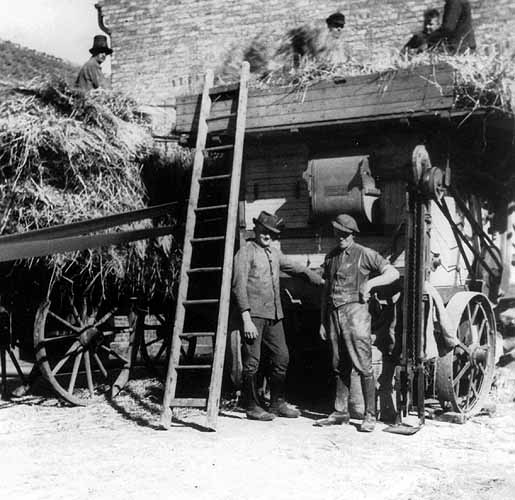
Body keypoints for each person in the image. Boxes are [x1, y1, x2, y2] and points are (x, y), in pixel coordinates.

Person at [232, 211, 324, 421]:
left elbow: (295, 267)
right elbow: (238, 287)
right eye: (264, 231)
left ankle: (276, 402)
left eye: (271, 233)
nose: (267, 236)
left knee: (282, 357)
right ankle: (252, 406)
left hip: (274, 315)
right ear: (256, 229)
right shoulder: (246, 252)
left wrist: (317, 279)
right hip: (253, 316)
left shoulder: (274, 253)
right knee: (252, 362)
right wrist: (246, 319)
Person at [316, 214, 399, 432]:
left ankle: (370, 415)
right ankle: (340, 411)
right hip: (335, 316)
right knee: (339, 364)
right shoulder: (331, 257)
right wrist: (324, 321)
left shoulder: (365, 254)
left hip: (357, 315)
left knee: (363, 365)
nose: (341, 237)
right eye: (338, 233)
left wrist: (370, 284)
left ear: (353, 235)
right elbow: (326, 291)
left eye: (346, 234)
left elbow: (393, 273)